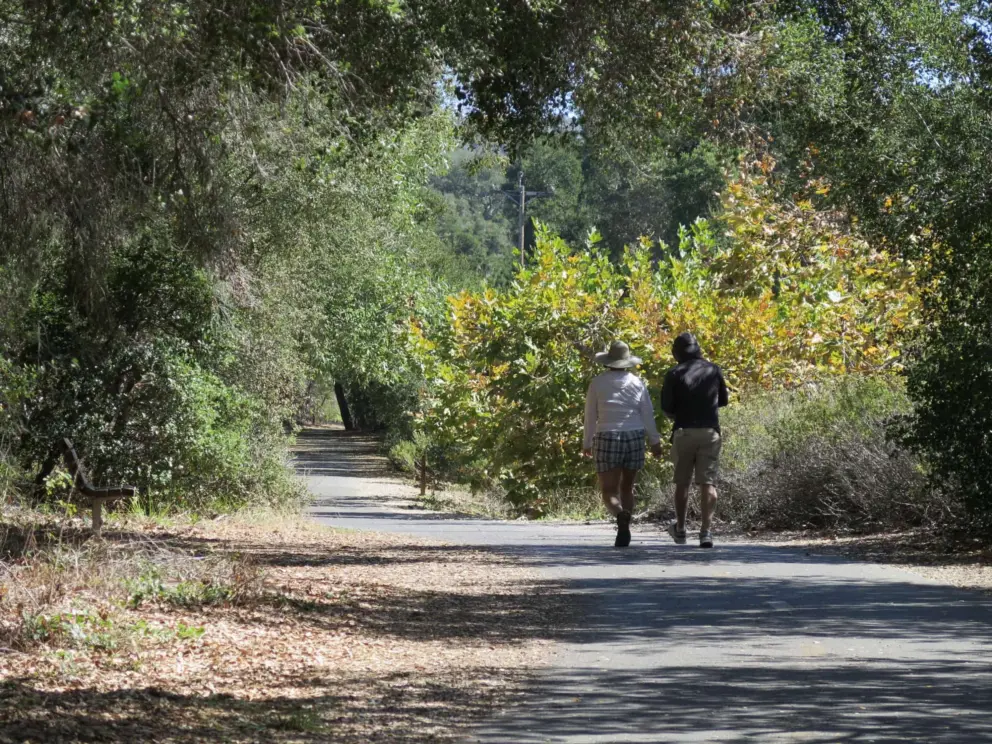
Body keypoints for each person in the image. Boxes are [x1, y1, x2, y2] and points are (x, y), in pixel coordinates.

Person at [583, 341, 663, 547]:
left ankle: (620, 516)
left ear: (608, 362)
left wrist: (587, 443)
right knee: (627, 487)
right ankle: (625, 521)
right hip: (634, 435)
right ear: (627, 362)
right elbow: (647, 414)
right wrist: (654, 441)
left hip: (607, 435)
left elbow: (590, 416)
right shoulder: (637, 383)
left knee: (609, 490)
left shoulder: (597, 383)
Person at [660, 332, 729, 549]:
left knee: (682, 482)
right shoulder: (713, 369)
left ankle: (680, 529)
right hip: (709, 431)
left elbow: (667, 408)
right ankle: (706, 532)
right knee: (707, 482)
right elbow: (723, 401)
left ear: (676, 353)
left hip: (684, 431)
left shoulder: (674, 373)